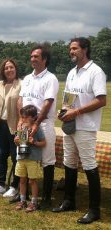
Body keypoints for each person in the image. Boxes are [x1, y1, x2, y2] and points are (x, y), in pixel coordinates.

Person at [52, 37, 107, 224]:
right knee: (69, 162)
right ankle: (69, 201)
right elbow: (68, 99)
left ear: (85, 49)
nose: (71, 52)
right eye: (70, 49)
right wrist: (64, 110)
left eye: (74, 48)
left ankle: (94, 210)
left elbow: (101, 100)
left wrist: (77, 112)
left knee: (89, 165)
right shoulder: (71, 73)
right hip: (70, 125)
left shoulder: (95, 71)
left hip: (86, 127)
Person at [17, 44, 59, 209]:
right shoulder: (27, 78)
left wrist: (36, 123)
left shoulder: (51, 78)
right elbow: (21, 100)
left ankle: (46, 198)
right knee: (24, 156)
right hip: (25, 124)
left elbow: (48, 103)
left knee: (47, 160)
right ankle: (23, 197)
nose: (32, 59)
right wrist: (21, 120)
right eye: (31, 56)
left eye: (36, 57)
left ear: (44, 60)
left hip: (44, 123)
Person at [0, 59, 21, 197]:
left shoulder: (21, 84)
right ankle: (1, 184)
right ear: (3, 71)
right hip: (0, 125)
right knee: (2, 155)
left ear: (16, 69)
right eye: (6, 68)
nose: (9, 70)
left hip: (14, 125)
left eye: (11, 67)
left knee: (15, 156)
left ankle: (15, 185)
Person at [14, 105, 46, 212]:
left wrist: (35, 142)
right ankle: (22, 200)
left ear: (33, 117)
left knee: (32, 181)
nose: (23, 119)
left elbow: (44, 143)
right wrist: (16, 140)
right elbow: (17, 141)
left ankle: (34, 202)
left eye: (26, 117)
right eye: (22, 117)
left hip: (32, 159)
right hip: (21, 158)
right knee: (22, 180)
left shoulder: (37, 129)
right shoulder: (21, 128)